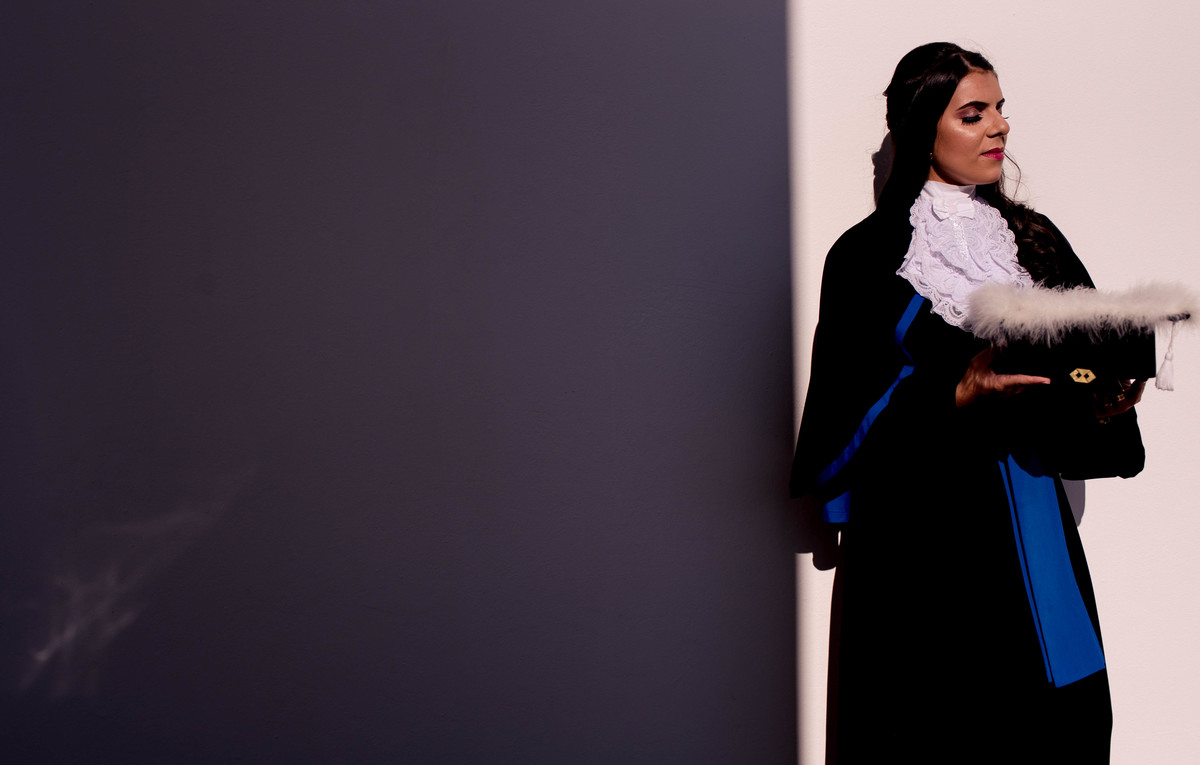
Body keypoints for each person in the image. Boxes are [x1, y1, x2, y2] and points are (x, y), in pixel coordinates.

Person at [789, 43, 1145, 763]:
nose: (998, 127)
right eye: (973, 113)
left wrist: (1104, 394)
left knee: (1056, 725)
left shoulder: (1035, 242)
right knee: (937, 725)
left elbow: (1083, 361)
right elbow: (839, 412)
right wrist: (953, 389)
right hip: (923, 538)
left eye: (1000, 110)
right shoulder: (866, 256)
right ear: (925, 129)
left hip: (1032, 520)